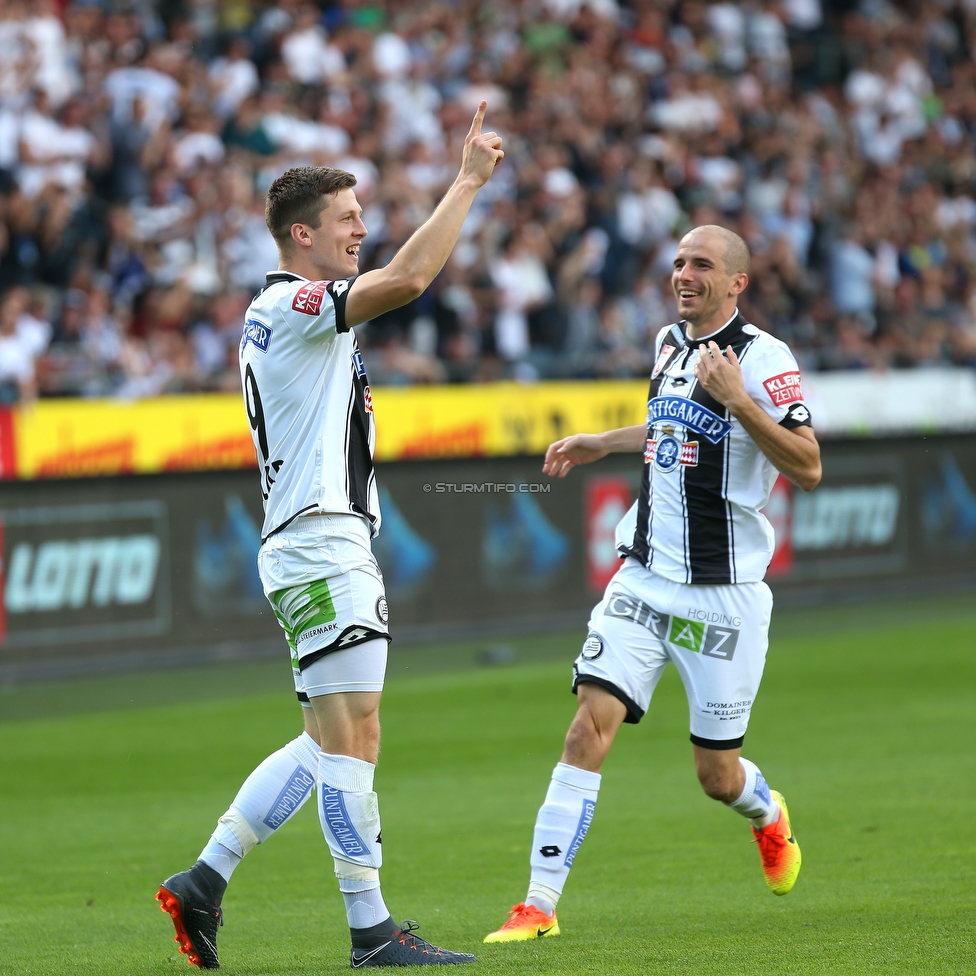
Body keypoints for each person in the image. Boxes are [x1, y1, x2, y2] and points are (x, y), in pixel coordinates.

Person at [156, 103, 503, 970]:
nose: (362, 229)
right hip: (320, 539)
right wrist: (466, 183)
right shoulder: (297, 303)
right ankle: (371, 932)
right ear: (301, 234)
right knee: (356, 735)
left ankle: (205, 878)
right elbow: (409, 279)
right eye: (348, 219)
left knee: (330, 736)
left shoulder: (285, 311)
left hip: (308, 539)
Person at [484, 224, 821, 943]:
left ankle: (767, 814)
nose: (683, 274)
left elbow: (807, 467)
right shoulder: (669, 345)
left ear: (737, 282)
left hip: (723, 594)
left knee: (716, 777)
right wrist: (601, 442)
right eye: (677, 263)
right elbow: (669, 429)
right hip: (642, 578)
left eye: (701, 264)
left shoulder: (764, 360)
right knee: (586, 728)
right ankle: (538, 905)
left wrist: (740, 401)